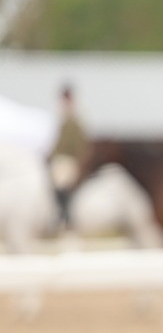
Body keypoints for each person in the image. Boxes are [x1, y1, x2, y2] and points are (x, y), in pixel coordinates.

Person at [48, 84, 90, 229]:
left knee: (60, 180)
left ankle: (65, 215)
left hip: (69, 159)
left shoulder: (74, 119)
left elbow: (76, 144)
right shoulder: (63, 117)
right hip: (60, 157)